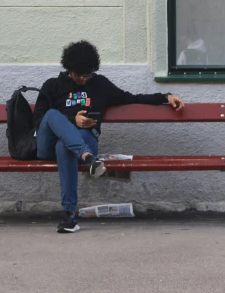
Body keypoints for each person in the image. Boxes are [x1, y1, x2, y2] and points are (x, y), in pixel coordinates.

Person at [33, 40, 185, 233]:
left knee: (65, 147)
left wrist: (165, 97)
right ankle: (88, 158)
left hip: (79, 144)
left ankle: (69, 215)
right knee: (52, 115)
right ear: (70, 70)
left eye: (87, 76)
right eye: (79, 76)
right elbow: (38, 120)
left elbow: (133, 98)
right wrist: (73, 120)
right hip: (48, 145)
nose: (83, 80)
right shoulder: (53, 85)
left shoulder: (99, 84)